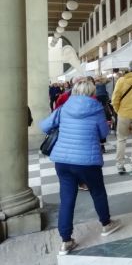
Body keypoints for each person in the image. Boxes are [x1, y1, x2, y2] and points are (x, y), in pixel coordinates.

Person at [39, 78, 121, 256]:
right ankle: (106, 224)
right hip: (87, 160)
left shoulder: (64, 107)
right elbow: (103, 134)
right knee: (97, 191)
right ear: (92, 92)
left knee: (67, 199)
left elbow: (44, 126)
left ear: (74, 91)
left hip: (62, 160)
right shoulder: (97, 108)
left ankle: (65, 241)